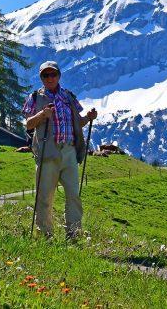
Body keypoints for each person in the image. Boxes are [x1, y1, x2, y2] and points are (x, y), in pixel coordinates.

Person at [23, 61, 97, 238]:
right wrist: (42, 115)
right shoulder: (35, 97)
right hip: (48, 151)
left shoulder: (68, 96)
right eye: (45, 75)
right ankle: (45, 234)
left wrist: (88, 117)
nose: (50, 78)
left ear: (59, 76)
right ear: (41, 78)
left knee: (73, 195)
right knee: (45, 197)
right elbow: (28, 124)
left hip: (69, 151)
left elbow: (77, 122)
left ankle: (74, 233)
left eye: (53, 74)